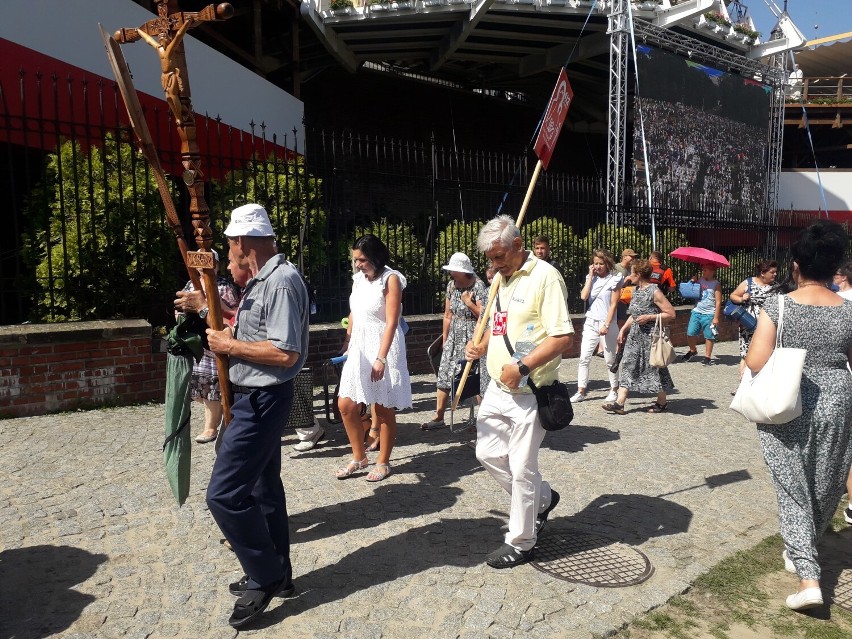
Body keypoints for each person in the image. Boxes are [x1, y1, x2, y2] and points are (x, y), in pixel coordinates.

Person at [201, 203, 310, 629]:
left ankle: (264, 575)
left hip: (261, 399)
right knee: (264, 488)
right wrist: (223, 326)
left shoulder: (279, 282)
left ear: (243, 241)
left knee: (224, 494)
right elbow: (258, 334)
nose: (230, 248)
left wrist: (229, 348)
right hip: (254, 395)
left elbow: (285, 353)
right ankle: (278, 574)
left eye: (230, 241)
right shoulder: (266, 280)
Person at [744, 220, 852, 611]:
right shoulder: (849, 311)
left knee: (792, 488)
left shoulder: (779, 304)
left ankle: (808, 578)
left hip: (787, 401)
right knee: (826, 482)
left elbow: (757, 359)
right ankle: (802, 546)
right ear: (835, 266)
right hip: (839, 400)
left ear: (795, 265)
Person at [464, 215, 573, 569]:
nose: (494, 265)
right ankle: (543, 500)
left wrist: (523, 367)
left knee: (522, 468)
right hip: (497, 387)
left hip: (530, 389)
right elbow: (500, 328)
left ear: (518, 245)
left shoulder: (546, 277)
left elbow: (562, 337)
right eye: (490, 259)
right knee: (488, 454)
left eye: (499, 257)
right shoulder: (500, 281)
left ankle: (522, 541)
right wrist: (479, 346)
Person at [336, 234, 412, 482]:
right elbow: (354, 312)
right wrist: (347, 342)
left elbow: (392, 322)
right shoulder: (358, 280)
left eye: (362, 259)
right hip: (359, 345)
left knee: (382, 406)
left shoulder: (391, 279)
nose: (357, 264)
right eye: (355, 259)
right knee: (345, 405)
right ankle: (359, 456)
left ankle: (383, 461)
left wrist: (381, 357)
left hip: (383, 346)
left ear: (376, 257)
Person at [174, 250, 240, 443]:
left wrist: (212, 305)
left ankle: (210, 428)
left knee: (212, 385)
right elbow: (180, 306)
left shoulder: (224, 286)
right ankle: (220, 422)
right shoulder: (190, 284)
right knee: (201, 387)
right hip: (196, 341)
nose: (203, 268)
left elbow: (232, 317)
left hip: (214, 341)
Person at [421, 252, 489, 430]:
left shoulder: (479, 286)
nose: (451, 273)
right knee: (444, 374)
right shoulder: (451, 286)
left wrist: (469, 303)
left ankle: (483, 419)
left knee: (473, 377)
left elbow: (484, 315)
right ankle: (439, 416)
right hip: (454, 335)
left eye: (454, 270)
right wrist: (445, 338)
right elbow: (447, 315)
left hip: (472, 335)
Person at [603, 259, 676, 414]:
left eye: (632, 272)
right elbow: (634, 315)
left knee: (654, 369)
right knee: (628, 366)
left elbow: (670, 314)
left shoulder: (654, 291)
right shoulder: (635, 290)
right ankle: (619, 403)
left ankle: (662, 402)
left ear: (639, 274)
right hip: (635, 336)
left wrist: (650, 317)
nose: (630, 275)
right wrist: (623, 329)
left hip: (650, 338)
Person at [571, 248, 622, 404]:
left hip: (607, 322)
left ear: (607, 263)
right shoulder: (591, 278)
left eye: (601, 263)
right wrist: (590, 276)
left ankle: (614, 389)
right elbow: (583, 296)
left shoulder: (615, 278)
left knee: (609, 359)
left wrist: (606, 324)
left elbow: (614, 304)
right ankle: (581, 390)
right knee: (584, 357)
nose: (598, 266)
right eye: (595, 264)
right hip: (591, 321)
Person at [728, 260, 778, 380]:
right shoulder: (749, 283)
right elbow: (733, 296)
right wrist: (741, 299)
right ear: (762, 273)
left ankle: (760, 382)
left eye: (776, 272)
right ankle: (742, 384)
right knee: (746, 354)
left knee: (766, 353)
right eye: (772, 272)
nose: (775, 274)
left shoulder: (775, 286)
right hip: (748, 323)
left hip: (768, 325)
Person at [681, 263, 723, 365]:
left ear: (712, 271)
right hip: (697, 311)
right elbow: (688, 291)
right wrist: (692, 281)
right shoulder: (699, 281)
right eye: (703, 270)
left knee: (709, 336)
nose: (703, 272)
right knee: (690, 333)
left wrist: (716, 317)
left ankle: (707, 356)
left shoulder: (716, 284)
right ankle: (693, 350)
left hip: (709, 313)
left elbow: (718, 302)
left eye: (705, 270)